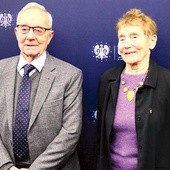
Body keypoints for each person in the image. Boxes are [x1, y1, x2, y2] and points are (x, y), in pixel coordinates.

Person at [0, 2, 83, 170]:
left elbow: (71, 132)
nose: (30, 36)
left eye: (38, 30)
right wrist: (7, 166)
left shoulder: (71, 75)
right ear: (16, 32)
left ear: (49, 36)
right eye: (24, 29)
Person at [94, 8, 170, 170]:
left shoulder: (167, 82)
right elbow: (100, 140)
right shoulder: (108, 80)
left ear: (152, 41)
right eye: (122, 38)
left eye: (134, 36)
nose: (126, 44)